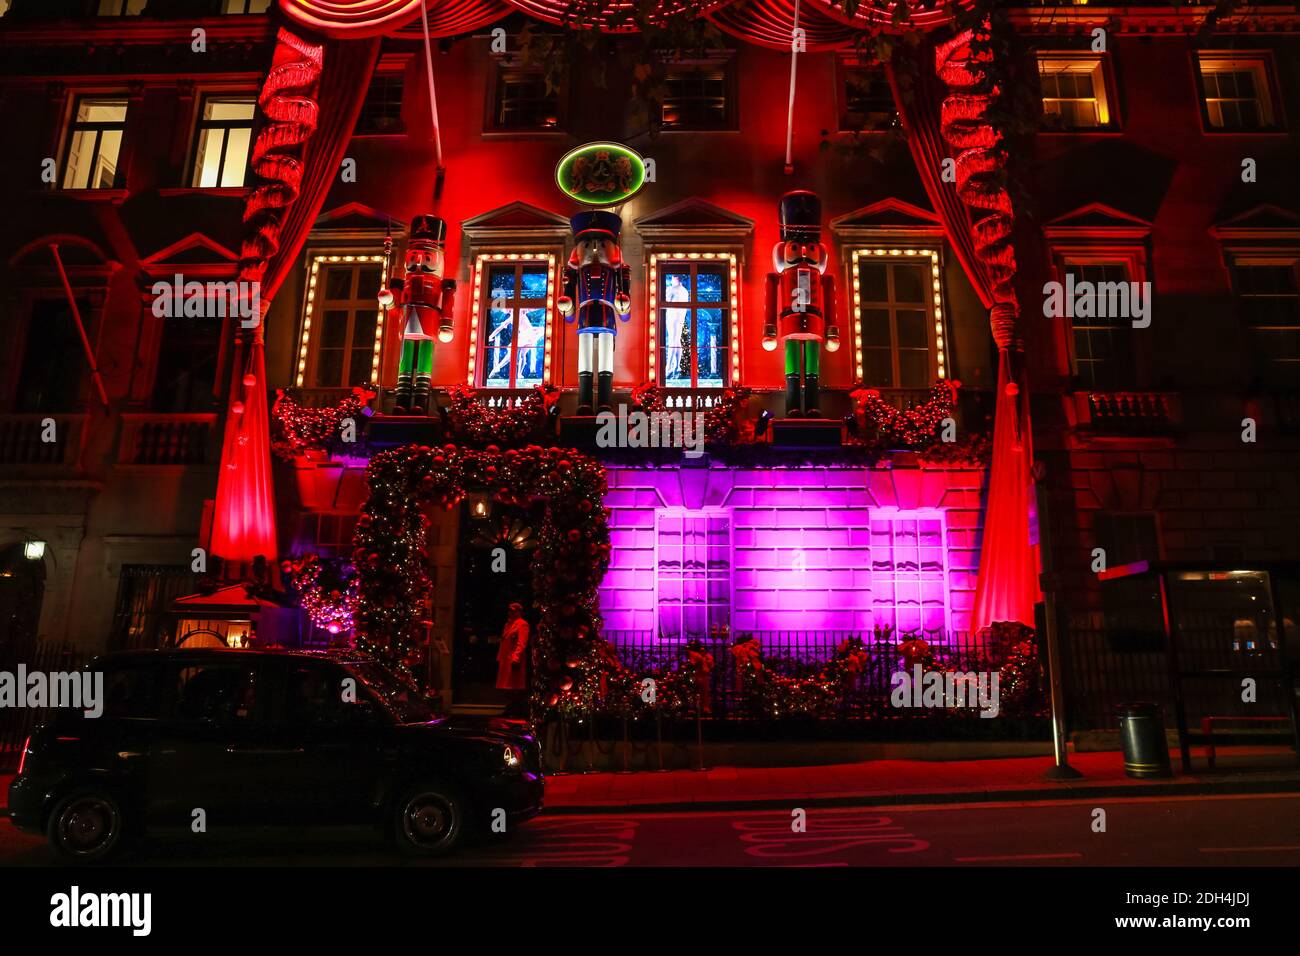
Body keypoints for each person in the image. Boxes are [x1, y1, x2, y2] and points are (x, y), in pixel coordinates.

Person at [496, 602, 530, 716]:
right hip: (506, 658)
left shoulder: (522, 624)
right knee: (506, 685)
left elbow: (522, 643)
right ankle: (511, 707)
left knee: (514, 685)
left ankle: (515, 709)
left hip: (514, 659)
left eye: (512, 610)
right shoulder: (508, 625)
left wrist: (516, 657)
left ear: (518, 611)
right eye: (509, 610)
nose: (510, 613)